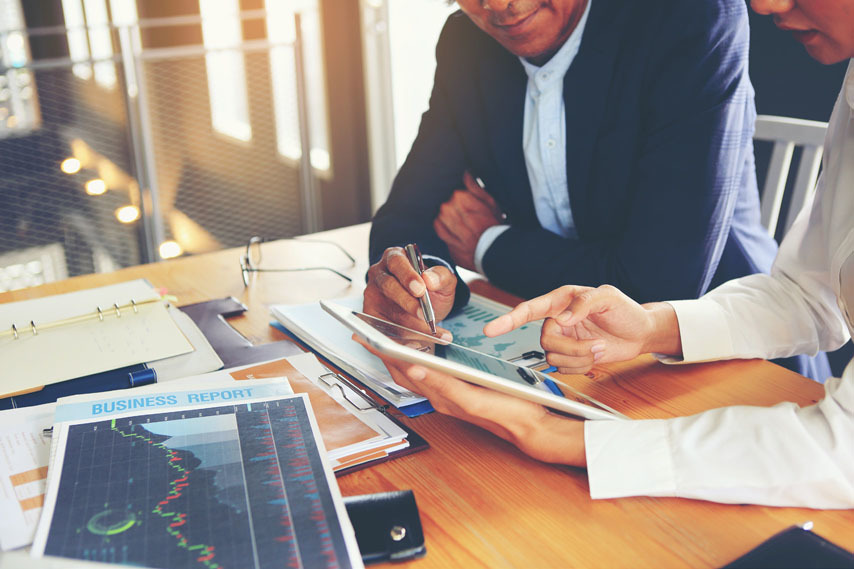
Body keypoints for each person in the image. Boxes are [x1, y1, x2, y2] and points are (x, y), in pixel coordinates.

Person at [368, 0, 854, 508]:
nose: (498, 5)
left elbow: (656, 277)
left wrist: (544, 431)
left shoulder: (687, 19)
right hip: (620, 359)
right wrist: (652, 326)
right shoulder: (467, 42)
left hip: (742, 386)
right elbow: (808, 294)